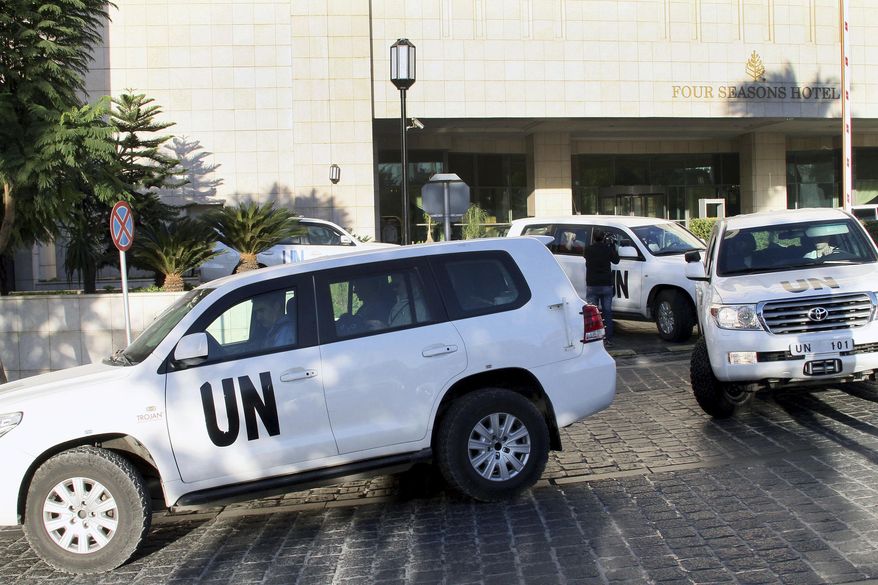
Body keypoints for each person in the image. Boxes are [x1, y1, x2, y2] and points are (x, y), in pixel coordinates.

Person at [583, 230, 620, 343]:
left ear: (593, 238)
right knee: (607, 312)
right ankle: (608, 337)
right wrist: (612, 246)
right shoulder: (607, 249)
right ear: (603, 238)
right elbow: (616, 261)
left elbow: (586, 258)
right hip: (606, 285)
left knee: (592, 313)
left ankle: (593, 338)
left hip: (592, 284)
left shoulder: (588, 250)